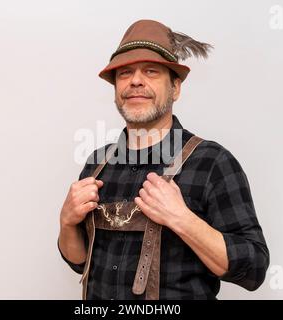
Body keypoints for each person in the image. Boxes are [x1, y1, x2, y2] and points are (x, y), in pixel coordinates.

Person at [58, 19, 269, 300]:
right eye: (124, 73)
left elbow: (253, 269)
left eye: (151, 71)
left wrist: (182, 219)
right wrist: (67, 222)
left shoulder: (212, 163)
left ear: (176, 88)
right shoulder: (98, 163)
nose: (135, 81)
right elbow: (81, 262)